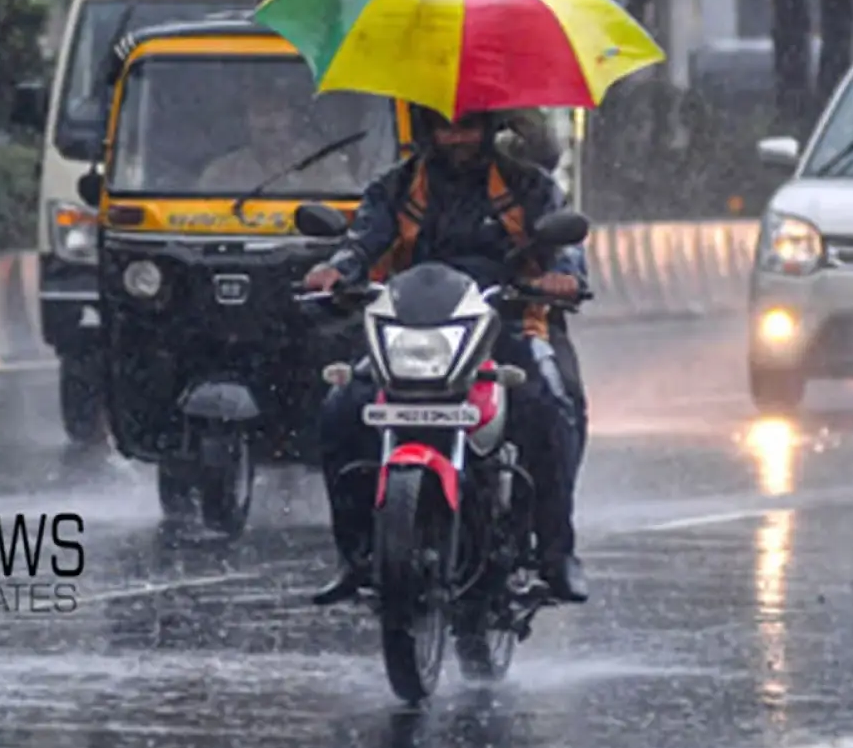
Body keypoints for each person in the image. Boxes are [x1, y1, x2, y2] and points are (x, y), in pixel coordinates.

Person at [301, 105, 592, 604]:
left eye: (467, 125)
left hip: (509, 324)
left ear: (489, 128)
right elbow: (361, 242)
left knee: (550, 405)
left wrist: (562, 275)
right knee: (341, 410)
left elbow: (565, 246)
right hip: (414, 333)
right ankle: (354, 555)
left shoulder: (529, 186)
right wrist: (336, 269)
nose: (455, 137)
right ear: (426, 129)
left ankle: (556, 553)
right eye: (444, 125)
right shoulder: (394, 187)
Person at [198, 91, 364, 192]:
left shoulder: (327, 165)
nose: (270, 122)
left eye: (277, 111)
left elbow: (346, 210)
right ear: (247, 121)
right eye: (260, 112)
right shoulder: (221, 172)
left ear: (292, 117)